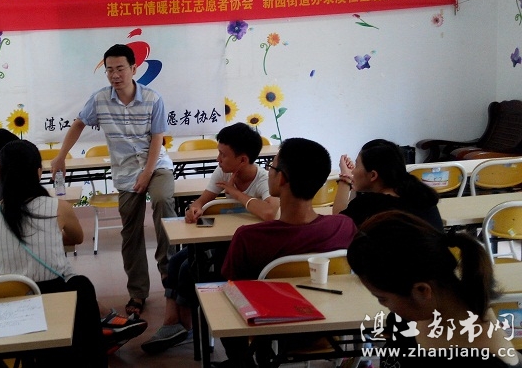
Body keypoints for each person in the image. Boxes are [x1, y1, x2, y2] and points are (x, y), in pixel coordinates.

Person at [0, 140, 145, 365]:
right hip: (55, 299)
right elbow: (77, 238)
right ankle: (100, 337)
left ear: (2, 173)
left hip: (7, 303)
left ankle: (106, 327)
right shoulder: (58, 207)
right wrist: (49, 236)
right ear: (38, 172)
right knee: (82, 286)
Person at [50, 43, 176, 317]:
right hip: (125, 172)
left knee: (163, 200)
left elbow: (157, 139)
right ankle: (138, 292)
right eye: (109, 70)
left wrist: (147, 173)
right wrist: (61, 156)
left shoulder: (153, 99)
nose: (115, 75)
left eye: (120, 69)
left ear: (134, 69)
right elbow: (78, 124)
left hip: (156, 165)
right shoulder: (99, 100)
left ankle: (170, 273)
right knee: (130, 232)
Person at [216, 138, 358, 367]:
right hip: (330, 324)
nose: (268, 172)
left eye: (271, 167)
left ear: (281, 178)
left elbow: (234, 290)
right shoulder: (343, 227)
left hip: (271, 329)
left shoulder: (249, 237)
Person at [141, 122, 279, 354]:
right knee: (176, 262)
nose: (218, 159)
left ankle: (185, 326)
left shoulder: (262, 179)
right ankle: (174, 322)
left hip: (243, 250)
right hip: (219, 243)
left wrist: (235, 193)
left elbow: (269, 212)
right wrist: (194, 209)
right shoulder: (223, 171)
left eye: (223, 154)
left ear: (242, 160)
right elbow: (202, 200)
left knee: (187, 268)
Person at [347, 210, 521, 367]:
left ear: (422, 290)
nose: (384, 306)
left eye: (382, 298)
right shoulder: (413, 316)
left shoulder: (485, 361)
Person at [332, 139, 443, 231]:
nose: (353, 171)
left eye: (357, 165)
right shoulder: (423, 194)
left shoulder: (369, 205)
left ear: (373, 175)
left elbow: (338, 221)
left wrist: (345, 177)